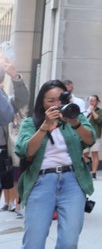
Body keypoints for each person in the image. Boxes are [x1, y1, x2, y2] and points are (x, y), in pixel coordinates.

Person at [15, 80, 95, 249]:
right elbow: (25, 150)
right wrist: (44, 126)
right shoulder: (31, 122)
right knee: (33, 242)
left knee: (69, 241)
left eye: (60, 99)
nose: (56, 104)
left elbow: (90, 139)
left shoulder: (75, 117)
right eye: (51, 100)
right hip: (41, 182)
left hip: (73, 181)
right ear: (42, 102)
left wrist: (75, 123)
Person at [0, 55, 29, 214]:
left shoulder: (4, 98)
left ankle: (12, 203)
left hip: (3, 151)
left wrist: (15, 77)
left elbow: (22, 100)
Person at [83, 95, 102, 180]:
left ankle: (94, 173)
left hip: (95, 135)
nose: (91, 102)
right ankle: (87, 163)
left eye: (93, 100)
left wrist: (92, 111)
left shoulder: (100, 111)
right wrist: (88, 111)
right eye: (90, 100)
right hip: (85, 135)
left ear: (97, 102)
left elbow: (98, 120)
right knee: (84, 154)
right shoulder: (85, 110)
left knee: (94, 153)